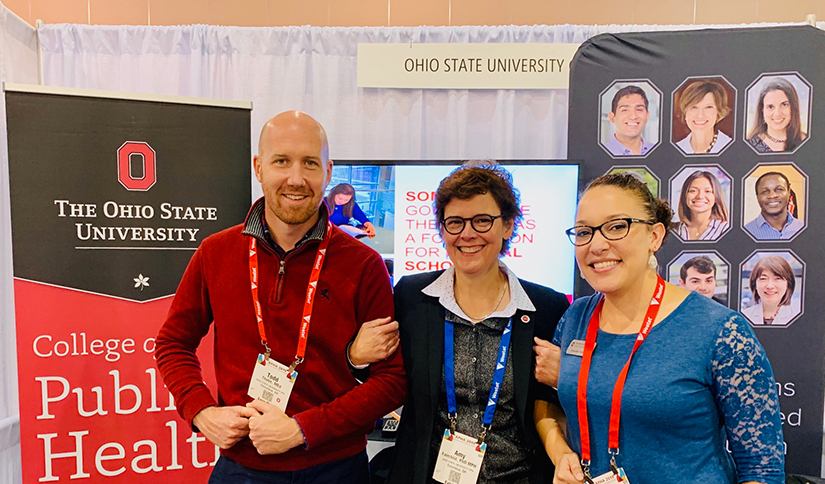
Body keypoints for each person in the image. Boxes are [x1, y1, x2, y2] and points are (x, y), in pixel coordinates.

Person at [154, 111, 406, 483]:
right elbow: (173, 343)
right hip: (243, 467)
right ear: (259, 168)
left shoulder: (364, 263)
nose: (296, 178)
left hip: (337, 468)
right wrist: (201, 412)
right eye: (281, 161)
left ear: (328, 171)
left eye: (309, 163)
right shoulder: (216, 252)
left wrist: (304, 429)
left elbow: (391, 380)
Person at [533, 173, 784, 484]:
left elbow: (762, 469)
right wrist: (561, 453)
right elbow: (546, 403)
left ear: (654, 236)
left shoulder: (721, 331)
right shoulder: (576, 318)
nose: (596, 244)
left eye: (616, 227)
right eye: (584, 232)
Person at [350, 163, 570, 483]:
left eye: (482, 220)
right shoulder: (412, 298)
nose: (467, 234)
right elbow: (383, 377)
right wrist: (355, 358)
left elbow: (551, 404)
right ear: (442, 230)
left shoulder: (546, 308)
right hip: (428, 475)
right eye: (455, 222)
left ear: (508, 225)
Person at [747, 77, 807, 153]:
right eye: (770, 107)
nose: (777, 113)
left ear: (793, 107)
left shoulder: (808, 142)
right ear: (762, 110)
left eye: (784, 105)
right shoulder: (750, 147)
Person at [674, 80, 732, 154]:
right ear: (685, 112)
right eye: (694, 107)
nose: (700, 115)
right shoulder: (675, 151)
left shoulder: (731, 149)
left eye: (708, 107)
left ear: (718, 113)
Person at [742, 255, 799, 326]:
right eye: (763, 279)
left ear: (788, 284)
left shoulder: (798, 318)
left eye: (777, 279)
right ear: (754, 284)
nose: (770, 286)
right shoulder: (743, 318)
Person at [744, 171, 804, 240]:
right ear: (757, 196)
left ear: (789, 192)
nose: (772, 196)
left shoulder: (805, 230)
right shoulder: (746, 233)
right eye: (765, 191)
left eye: (779, 189)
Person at [671, 170, 729, 240]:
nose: (700, 196)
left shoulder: (725, 230)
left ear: (716, 197)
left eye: (707, 191)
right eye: (693, 191)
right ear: (685, 195)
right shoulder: (674, 230)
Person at [603, 85, 655, 157]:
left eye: (639, 109)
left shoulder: (658, 153)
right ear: (612, 117)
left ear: (647, 116)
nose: (633, 116)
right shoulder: (600, 154)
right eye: (625, 110)